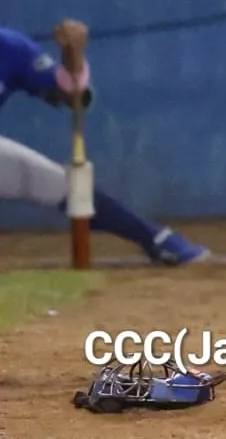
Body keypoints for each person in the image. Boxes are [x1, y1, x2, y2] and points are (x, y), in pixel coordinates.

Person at [0, 17, 207, 264]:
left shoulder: (10, 47)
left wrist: (72, 56)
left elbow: (73, 97)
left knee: (60, 185)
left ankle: (154, 239)